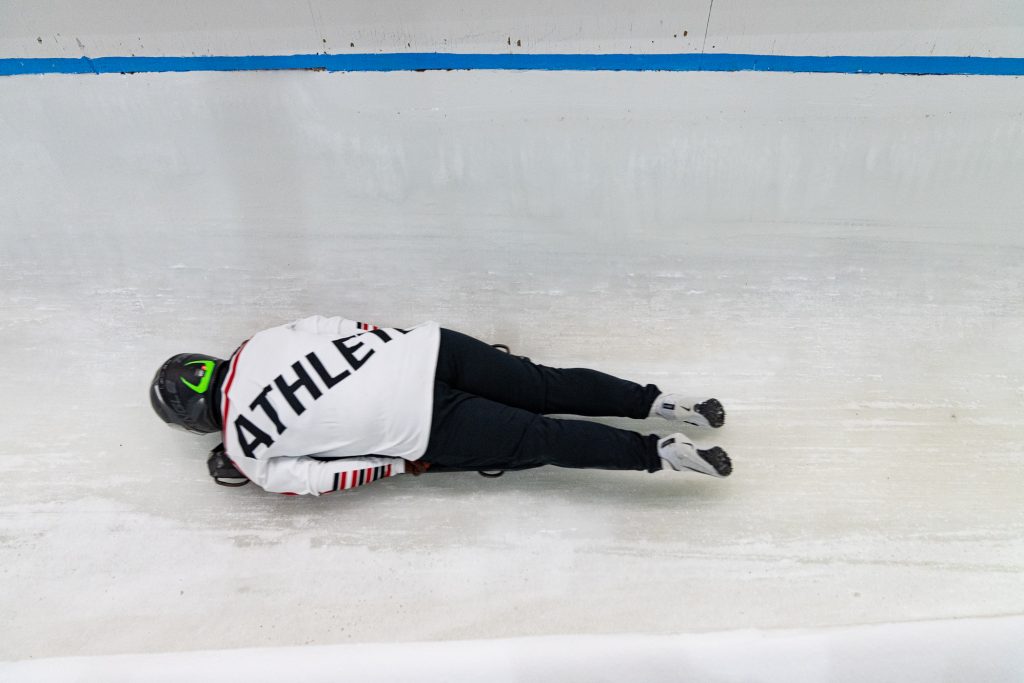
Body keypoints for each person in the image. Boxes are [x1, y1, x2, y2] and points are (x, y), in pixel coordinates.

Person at [149, 316, 731, 495]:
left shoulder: (247, 454)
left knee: (542, 438)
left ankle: (663, 455)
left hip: (422, 426)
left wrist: (402, 466)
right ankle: (665, 403)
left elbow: (324, 479)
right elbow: (344, 326)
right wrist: (404, 341)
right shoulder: (257, 342)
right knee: (544, 384)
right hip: (430, 350)